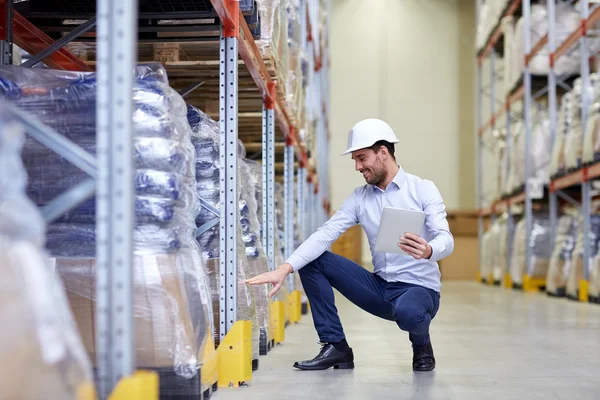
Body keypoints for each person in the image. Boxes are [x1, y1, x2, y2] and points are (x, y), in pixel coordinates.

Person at [246, 118, 454, 372]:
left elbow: (446, 238)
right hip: (380, 288)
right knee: (314, 260)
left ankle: (421, 344)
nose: (357, 166)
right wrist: (286, 268)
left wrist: (430, 249)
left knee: (410, 312)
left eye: (362, 158)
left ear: (383, 153)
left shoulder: (423, 189)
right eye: (354, 160)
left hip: (420, 290)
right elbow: (325, 234)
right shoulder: (360, 198)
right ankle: (336, 347)